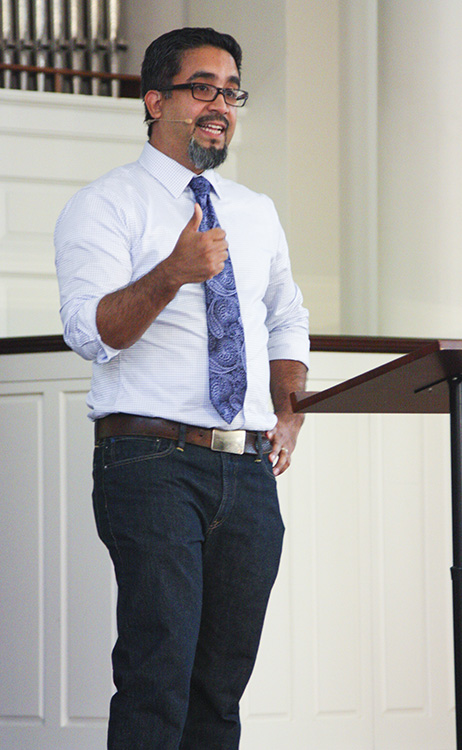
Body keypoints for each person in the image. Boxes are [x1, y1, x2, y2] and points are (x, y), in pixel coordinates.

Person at [55, 26, 309, 750]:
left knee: (219, 686)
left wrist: (287, 413)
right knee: (157, 674)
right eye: (203, 87)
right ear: (154, 99)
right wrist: (172, 273)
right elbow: (89, 332)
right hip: (151, 464)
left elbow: (287, 318)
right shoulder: (106, 205)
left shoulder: (255, 210)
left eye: (231, 91)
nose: (221, 104)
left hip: (248, 469)